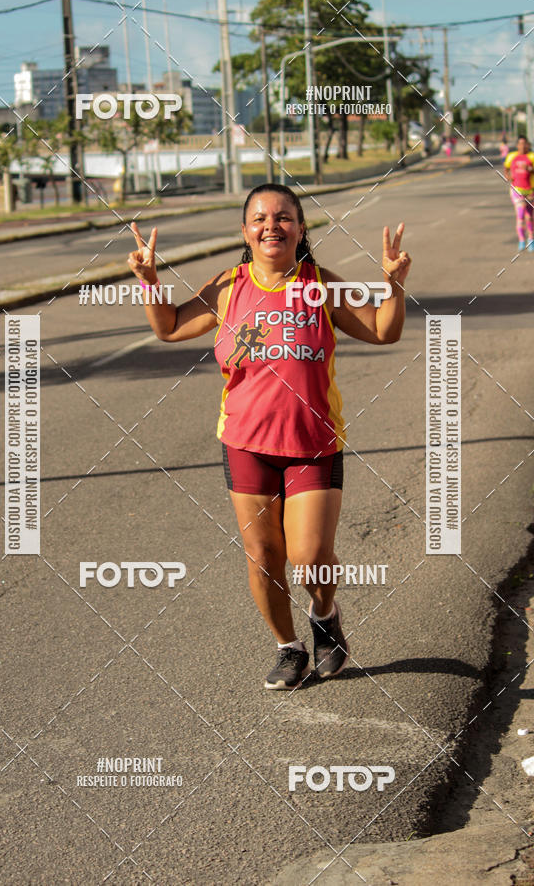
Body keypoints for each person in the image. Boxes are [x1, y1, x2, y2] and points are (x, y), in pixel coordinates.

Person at [127, 183, 411, 690]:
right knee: (263, 555)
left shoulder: (320, 285)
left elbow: (383, 331)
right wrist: (150, 281)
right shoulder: (227, 287)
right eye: (259, 218)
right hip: (246, 443)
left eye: (284, 217)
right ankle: (288, 647)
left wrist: (392, 284)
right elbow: (170, 327)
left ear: (301, 229)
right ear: (245, 231)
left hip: (312, 444)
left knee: (308, 557)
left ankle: (325, 615)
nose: (271, 226)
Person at [503, 136, 534, 251]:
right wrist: (508, 176)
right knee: (520, 216)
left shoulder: (532, 156)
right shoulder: (512, 156)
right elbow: (506, 168)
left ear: (528, 145)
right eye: (520, 144)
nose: (522, 146)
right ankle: (521, 240)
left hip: (530, 191)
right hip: (517, 190)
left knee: (530, 217)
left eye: (525, 143)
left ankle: (531, 239)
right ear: (517, 145)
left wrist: (530, 169)